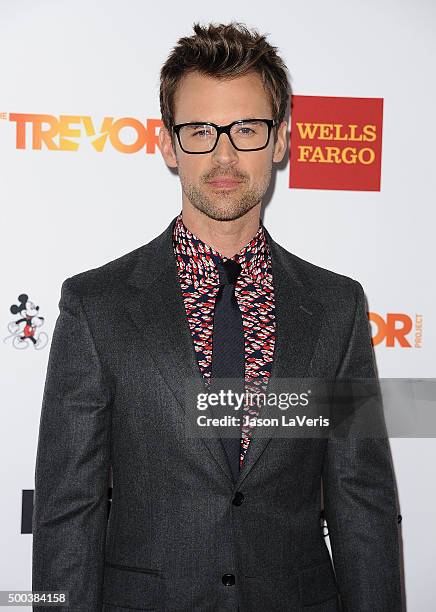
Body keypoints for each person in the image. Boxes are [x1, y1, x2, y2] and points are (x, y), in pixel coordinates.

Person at [32, 22, 402, 612]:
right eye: (201, 130)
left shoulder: (338, 309)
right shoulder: (95, 306)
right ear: (168, 145)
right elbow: (66, 514)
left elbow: (364, 506)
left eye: (247, 129)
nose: (225, 155)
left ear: (280, 141)